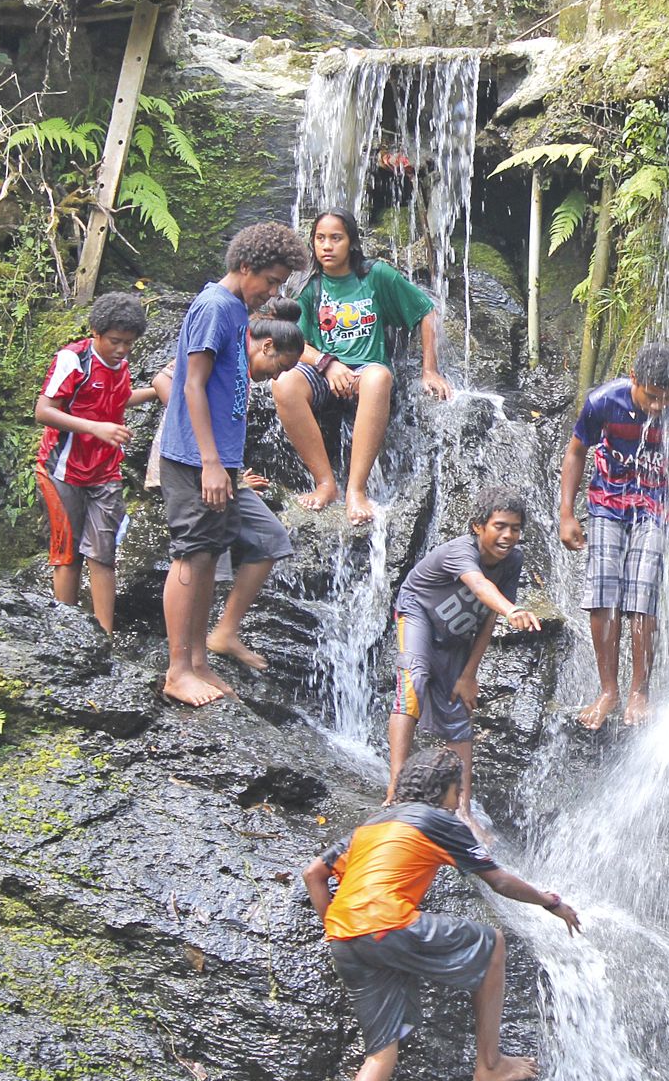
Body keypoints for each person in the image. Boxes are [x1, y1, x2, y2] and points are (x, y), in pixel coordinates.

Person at [303, 748, 580, 1081]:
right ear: (446, 789)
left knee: (380, 1051)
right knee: (491, 941)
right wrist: (551, 902)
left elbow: (313, 872)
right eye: (458, 791)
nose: (458, 801)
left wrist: (335, 922)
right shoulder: (437, 821)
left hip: (345, 939)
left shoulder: (371, 824)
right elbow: (498, 880)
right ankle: (489, 1064)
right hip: (388, 926)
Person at [157, 225, 310, 707]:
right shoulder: (216, 308)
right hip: (192, 457)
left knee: (206, 558)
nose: (274, 292)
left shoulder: (236, 312)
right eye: (270, 280)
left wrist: (227, 463)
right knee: (191, 554)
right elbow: (191, 386)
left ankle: (199, 661)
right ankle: (177, 669)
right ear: (245, 268)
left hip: (220, 459)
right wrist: (208, 462)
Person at [558, 343, 669, 729]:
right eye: (652, 396)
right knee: (603, 593)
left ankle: (640, 690)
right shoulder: (604, 402)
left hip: (656, 505)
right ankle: (608, 690)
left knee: (643, 595)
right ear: (634, 379)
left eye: (667, 398)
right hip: (608, 501)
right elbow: (576, 452)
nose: (659, 406)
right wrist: (566, 514)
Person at [272, 208, 452, 526]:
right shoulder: (310, 287)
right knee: (283, 384)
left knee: (378, 376)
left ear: (352, 243)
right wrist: (327, 365)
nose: (327, 246)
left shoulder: (375, 276)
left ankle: (356, 489)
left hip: (364, 373)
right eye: (320, 239)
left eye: (336, 238)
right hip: (323, 373)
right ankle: (326, 483)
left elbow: (426, 311)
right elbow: (294, 342)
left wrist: (430, 369)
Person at [387, 487, 541, 821]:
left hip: (458, 629)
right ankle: (396, 789)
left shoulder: (513, 559)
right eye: (500, 526)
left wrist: (469, 674)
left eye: (515, 528)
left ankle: (463, 811)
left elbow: (488, 619)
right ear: (478, 526)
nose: (508, 535)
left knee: (459, 713)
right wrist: (513, 609)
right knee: (413, 680)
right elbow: (481, 588)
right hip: (419, 614)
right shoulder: (459, 551)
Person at [33, 293, 158, 635]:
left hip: (105, 472)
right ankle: (67, 629)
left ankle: (105, 635)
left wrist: (156, 389)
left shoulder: (122, 365)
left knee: (103, 553)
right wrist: (95, 428)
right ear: (96, 332)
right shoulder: (74, 360)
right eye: (115, 342)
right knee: (67, 552)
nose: (121, 350)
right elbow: (44, 411)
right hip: (62, 469)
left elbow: (120, 398)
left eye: (128, 344)